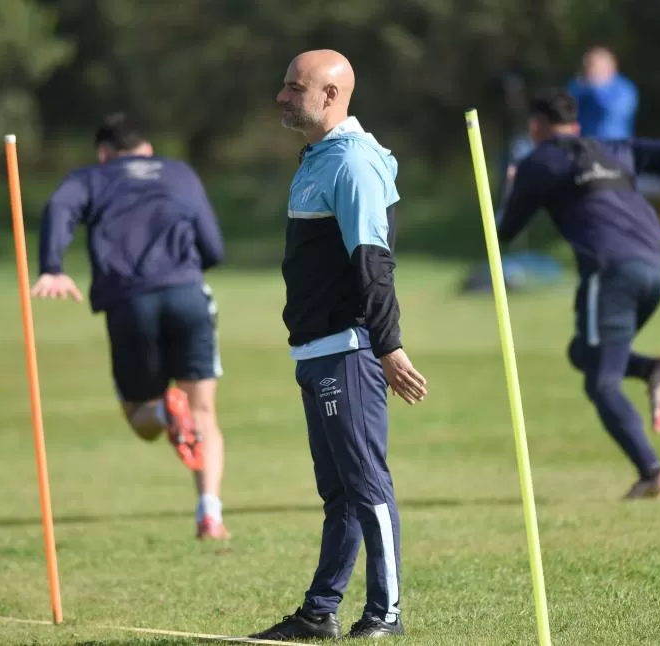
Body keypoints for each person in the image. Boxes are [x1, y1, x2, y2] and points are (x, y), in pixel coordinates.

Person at [249, 50, 428, 641]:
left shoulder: (351, 161)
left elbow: (372, 261)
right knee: (340, 492)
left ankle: (386, 615)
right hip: (316, 349)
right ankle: (320, 611)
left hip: (347, 348)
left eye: (293, 88)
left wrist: (388, 344)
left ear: (330, 95)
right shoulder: (319, 158)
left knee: (366, 485)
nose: (281, 96)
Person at [499, 90, 660, 499]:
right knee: (584, 352)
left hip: (610, 272)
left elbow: (501, 232)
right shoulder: (612, 147)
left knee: (602, 383)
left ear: (535, 127)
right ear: (575, 125)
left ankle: (653, 473)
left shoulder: (539, 161)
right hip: (655, 268)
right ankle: (653, 369)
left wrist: (512, 187)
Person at [30, 113, 230, 541]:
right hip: (188, 296)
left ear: (103, 153)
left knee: (141, 419)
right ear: (148, 148)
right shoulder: (179, 173)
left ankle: (163, 411)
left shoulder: (91, 178)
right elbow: (212, 245)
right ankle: (209, 514)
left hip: (130, 302)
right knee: (203, 412)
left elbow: (60, 207)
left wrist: (52, 266)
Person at [567, 47, 639, 140]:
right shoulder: (579, 85)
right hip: (585, 144)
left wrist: (597, 88)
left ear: (608, 66)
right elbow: (567, 108)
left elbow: (613, 113)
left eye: (593, 66)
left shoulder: (624, 88)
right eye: (587, 66)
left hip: (615, 146)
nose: (589, 70)